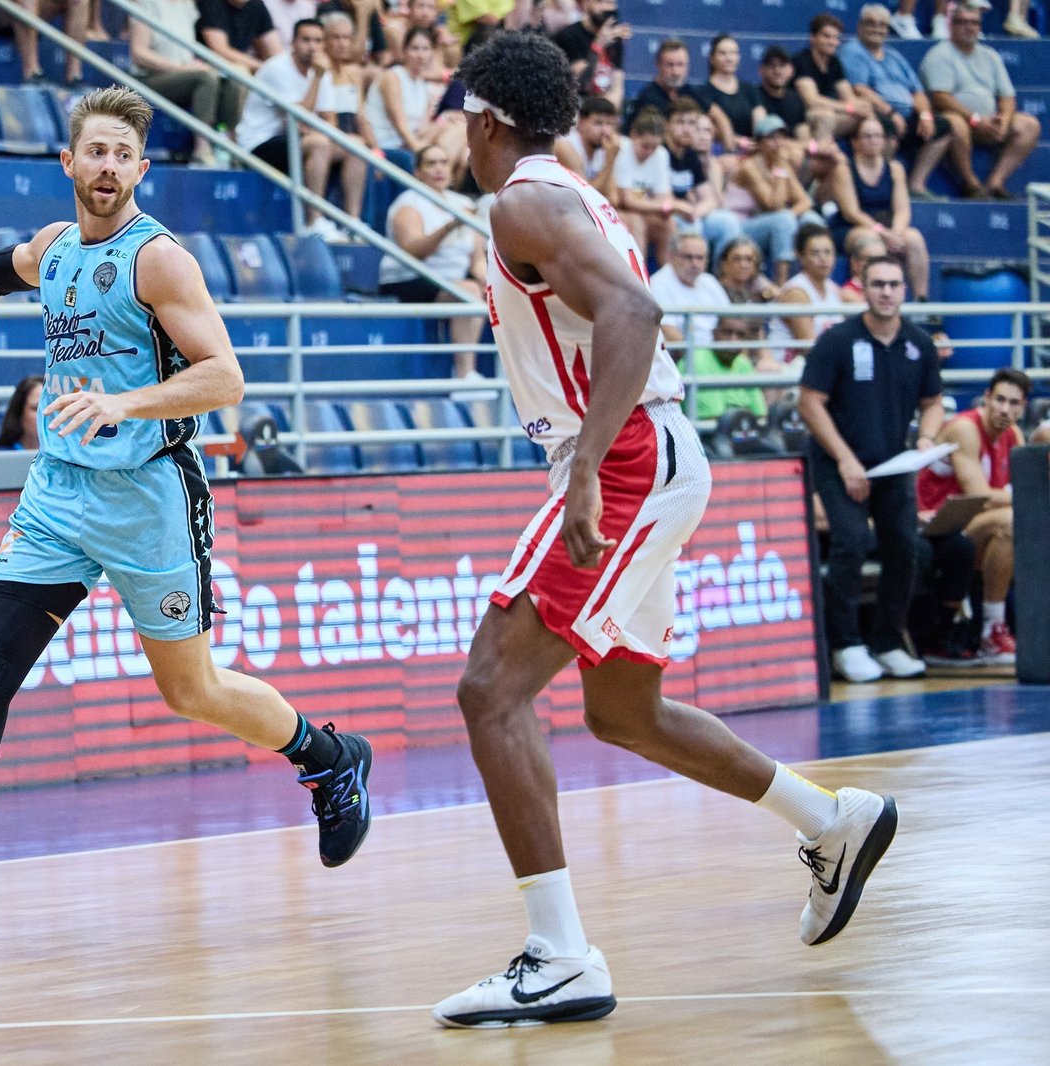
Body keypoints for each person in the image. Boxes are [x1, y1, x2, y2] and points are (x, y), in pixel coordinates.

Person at [432, 32, 899, 1029]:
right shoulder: (570, 193)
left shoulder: (523, 198)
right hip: (654, 449)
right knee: (624, 710)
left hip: (629, 452)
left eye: (462, 123)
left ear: (485, 121)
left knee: (490, 689)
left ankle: (558, 954)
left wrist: (590, 467)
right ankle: (830, 820)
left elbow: (635, 313)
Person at [0, 87, 374, 930]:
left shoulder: (157, 258)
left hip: (147, 495)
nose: (108, 167)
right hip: (58, 493)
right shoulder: (55, 247)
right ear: (68, 161)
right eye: (95, 152)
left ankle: (328, 755)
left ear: (141, 169)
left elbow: (226, 377)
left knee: (191, 689)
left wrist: (124, 405)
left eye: (123, 156)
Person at [798, 254, 944, 683]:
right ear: (862, 287)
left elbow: (933, 402)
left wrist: (927, 439)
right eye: (877, 283)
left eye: (893, 284)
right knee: (852, 542)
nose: (885, 291)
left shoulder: (920, 344)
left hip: (893, 464)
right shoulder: (838, 340)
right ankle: (845, 643)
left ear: (905, 290)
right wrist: (845, 459)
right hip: (837, 461)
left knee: (905, 547)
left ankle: (887, 641)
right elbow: (810, 402)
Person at [916, 367, 1029, 661]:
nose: (1005, 409)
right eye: (999, 400)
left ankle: (1001, 626)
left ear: (1023, 407)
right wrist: (1020, 496)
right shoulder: (965, 429)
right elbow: (979, 496)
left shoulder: (1013, 434)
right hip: (936, 527)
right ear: (986, 398)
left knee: (1022, 522)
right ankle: (992, 631)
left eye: (1013, 403)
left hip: (972, 528)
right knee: (1011, 521)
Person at [379, 143, 487, 378]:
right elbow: (413, 251)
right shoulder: (408, 204)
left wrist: (489, 284)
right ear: (418, 172)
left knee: (489, 291)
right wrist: (449, 227)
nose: (439, 169)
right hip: (409, 277)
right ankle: (464, 374)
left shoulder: (464, 204)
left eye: (444, 162)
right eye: (431, 163)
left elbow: (477, 258)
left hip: (453, 280)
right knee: (468, 291)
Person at [919, 0, 1042, 199]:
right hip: (962, 121)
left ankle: (995, 182)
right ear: (952, 25)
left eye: (974, 23)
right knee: (954, 123)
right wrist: (975, 119)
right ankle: (971, 184)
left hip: (989, 121)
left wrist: (1004, 120)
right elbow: (940, 98)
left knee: (1029, 125)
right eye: (963, 22)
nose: (970, 27)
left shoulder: (990, 55)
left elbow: (1007, 96)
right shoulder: (939, 54)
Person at [838, 3, 956, 201]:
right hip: (877, 113)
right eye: (871, 24)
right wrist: (891, 113)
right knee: (885, 129)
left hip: (907, 115)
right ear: (859, 27)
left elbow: (916, 91)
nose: (877, 29)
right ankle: (880, 189)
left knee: (943, 127)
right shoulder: (852, 51)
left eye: (882, 25)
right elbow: (859, 89)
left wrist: (926, 115)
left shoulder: (894, 56)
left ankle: (916, 185)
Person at [236, 19, 337, 235]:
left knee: (353, 149)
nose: (312, 46)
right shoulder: (276, 68)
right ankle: (315, 222)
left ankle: (353, 222)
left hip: (294, 140)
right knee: (319, 143)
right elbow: (298, 119)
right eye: (306, 40)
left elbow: (330, 119)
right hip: (258, 143)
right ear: (293, 42)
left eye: (318, 41)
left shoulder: (321, 70)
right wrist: (318, 78)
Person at [823, 117, 930, 301]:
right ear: (855, 142)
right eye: (866, 136)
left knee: (914, 238)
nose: (872, 140)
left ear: (883, 141)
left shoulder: (895, 168)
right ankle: (870, 300)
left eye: (877, 136)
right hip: (851, 227)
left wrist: (895, 234)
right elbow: (851, 211)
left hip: (886, 226)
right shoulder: (844, 168)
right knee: (872, 242)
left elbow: (902, 209)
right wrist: (883, 233)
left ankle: (923, 301)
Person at [129, 0, 246, 166]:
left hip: (183, 73)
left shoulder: (187, 5)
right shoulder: (146, 3)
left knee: (231, 82)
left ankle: (229, 145)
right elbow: (139, 54)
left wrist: (193, 66)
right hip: (149, 78)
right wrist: (181, 68)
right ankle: (202, 148)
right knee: (205, 78)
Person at [731, 115, 821, 283]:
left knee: (811, 219)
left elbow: (805, 201)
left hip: (768, 222)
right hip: (742, 225)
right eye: (771, 138)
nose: (778, 142)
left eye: (780, 137)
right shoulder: (749, 166)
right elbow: (773, 204)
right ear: (759, 143)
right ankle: (782, 283)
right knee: (783, 220)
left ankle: (812, 278)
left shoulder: (781, 164)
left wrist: (791, 216)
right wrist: (780, 170)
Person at [314, 10, 376, 221]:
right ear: (324, 40)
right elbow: (325, 119)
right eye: (336, 37)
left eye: (347, 38)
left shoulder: (354, 73)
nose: (343, 43)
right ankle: (354, 219)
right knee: (359, 150)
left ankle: (368, 224)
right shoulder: (319, 71)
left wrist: (376, 150)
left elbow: (361, 118)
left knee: (398, 161)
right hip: (328, 138)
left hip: (351, 137)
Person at [663, 97, 742, 257]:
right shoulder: (661, 153)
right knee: (693, 226)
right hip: (668, 216)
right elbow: (662, 199)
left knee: (728, 222)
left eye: (691, 123)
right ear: (667, 125)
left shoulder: (690, 155)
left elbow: (710, 199)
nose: (686, 129)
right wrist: (688, 213)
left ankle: (722, 275)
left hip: (689, 214)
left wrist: (694, 212)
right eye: (680, 122)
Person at [363, 26, 444, 157]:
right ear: (404, 51)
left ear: (432, 53)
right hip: (387, 145)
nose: (420, 55)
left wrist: (446, 120)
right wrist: (421, 152)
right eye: (415, 48)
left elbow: (422, 128)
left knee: (453, 130)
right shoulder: (392, 77)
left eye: (425, 49)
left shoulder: (423, 85)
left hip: (407, 144)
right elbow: (399, 124)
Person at [610, 107, 676, 263]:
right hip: (619, 209)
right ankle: (639, 276)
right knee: (636, 222)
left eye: (654, 147)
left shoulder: (661, 154)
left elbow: (664, 200)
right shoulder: (622, 149)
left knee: (668, 224)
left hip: (642, 210)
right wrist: (671, 206)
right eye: (645, 146)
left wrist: (666, 207)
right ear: (633, 135)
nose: (650, 152)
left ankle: (666, 278)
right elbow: (627, 201)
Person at [689, 314, 782, 419]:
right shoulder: (697, 361)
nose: (733, 341)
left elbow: (760, 414)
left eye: (740, 335)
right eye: (727, 333)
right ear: (714, 334)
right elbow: (713, 418)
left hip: (741, 429)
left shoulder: (743, 363)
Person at [648, 230, 729, 351]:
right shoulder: (658, 283)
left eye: (700, 258)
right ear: (672, 256)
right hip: (687, 356)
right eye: (688, 257)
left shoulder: (709, 281)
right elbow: (668, 330)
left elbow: (730, 319)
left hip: (719, 353)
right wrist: (700, 356)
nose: (695, 264)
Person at [793, 13, 864, 142]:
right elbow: (812, 101)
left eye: (836, 38)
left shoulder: (834, 62)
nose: (833, 42)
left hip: (831, 113)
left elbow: (848, 97)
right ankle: (822, 158)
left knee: (868, 117)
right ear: (812, 38)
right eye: (827, 36)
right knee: (826, 116)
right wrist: (849, 108)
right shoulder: (801, 60)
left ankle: (874, 161)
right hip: (802, 117)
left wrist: (862, 107)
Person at [551, 0, 630, 109]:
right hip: (576, 108)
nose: (605, 7)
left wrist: (608, 108)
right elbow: (581, 84)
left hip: (605, 108)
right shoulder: (569, 36)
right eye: (599, 2)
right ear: (586, 3)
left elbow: (618, 85)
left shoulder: (615, 39)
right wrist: (598, 45)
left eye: (610, 2)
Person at [775, 223, 844, 349]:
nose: (823, 258)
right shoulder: (796, 292)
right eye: (815, 253)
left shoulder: (833, 289)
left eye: (828, 252)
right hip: (790, 364)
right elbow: (809, 347)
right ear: (801, 257)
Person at [698, 33, 765, 158]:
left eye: (733, 53)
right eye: (722, 53)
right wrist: (738, 142)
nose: (729, 58)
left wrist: (759, 144)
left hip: (754, 152)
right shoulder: (703, 91)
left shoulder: (749, 89)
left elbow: (760, 120)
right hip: (721, 153)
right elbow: (711, 128)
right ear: (712, 58)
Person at [555, 96, 619, 198]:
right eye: (598, 123)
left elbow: (613, 198)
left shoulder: (604, 149)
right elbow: (586, 196)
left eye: (609, 124)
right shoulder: (565, 146)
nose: (605, 131)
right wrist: (610, 160)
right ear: (581, 122)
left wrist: (610, 158)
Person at [198, 0, 285, 75]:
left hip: (239, 68)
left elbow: (276, 53)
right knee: (241, 72)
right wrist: (262, 67)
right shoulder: (211, 2)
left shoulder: (256, 6)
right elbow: (220, 50)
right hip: (206, 66)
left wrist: (279, 71)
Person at [624, 37, 691, 128]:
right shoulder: (647, 99)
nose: (675, 72)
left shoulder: (691, 94)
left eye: (680, 64)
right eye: (669, 65)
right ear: (658, 65)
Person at [714, 235, 780, 305]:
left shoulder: (758, 289)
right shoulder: (715, 289)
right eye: (737, 259)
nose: (743, 265)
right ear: (724, 263)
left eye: (749, 259)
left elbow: (778, 296)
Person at [0, 374, 43, 450]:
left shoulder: (64, 453)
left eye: (51, 408)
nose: (46, 414)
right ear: (19, 412)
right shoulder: (0, 455)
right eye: (36, 408)